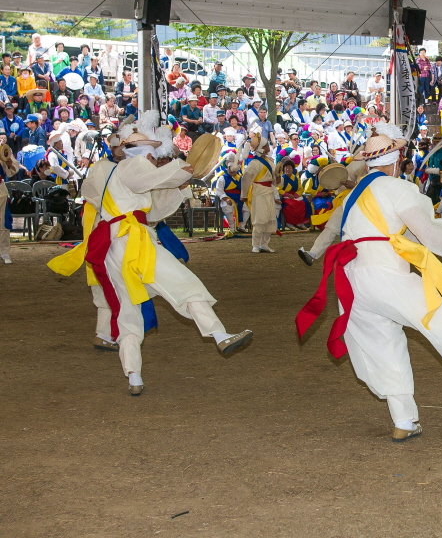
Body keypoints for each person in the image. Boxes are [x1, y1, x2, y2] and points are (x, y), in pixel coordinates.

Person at [295, 121, 442, 441]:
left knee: (384, 347)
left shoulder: (355, 196)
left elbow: (404, 233)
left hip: (353, 283)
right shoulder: (398, 188)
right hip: (385, 274)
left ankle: (404, 422)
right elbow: (425, 231)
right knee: (439, 316)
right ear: (395, 159)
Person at [47, 118, 253, 395]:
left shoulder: (115, 171)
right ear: (144, 148)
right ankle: (219, 334)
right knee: (182, 282)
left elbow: (150, 209)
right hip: (134, 241)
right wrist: (182, 169)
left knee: (129, 310)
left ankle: (133, 375)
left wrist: (179, 182)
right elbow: (150, 188)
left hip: (113, 245)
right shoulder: (135, 165)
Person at [240, 132, 279, 253]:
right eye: (266, 145)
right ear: (262, 148)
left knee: (270, 218)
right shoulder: (254, 163)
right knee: (260, 219)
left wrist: (278, 178)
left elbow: (275, 181)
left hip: (269, 192)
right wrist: (244, 195)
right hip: (258, 192)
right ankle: (255, 245)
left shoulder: (270, 161)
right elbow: (246, 180)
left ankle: (264, 244)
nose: (268, 147)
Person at [0, 147, 24, 263]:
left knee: (3, 222)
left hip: (0, 192)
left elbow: (12, 171)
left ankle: (4, 252)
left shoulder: (2, 148)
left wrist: (8, 163)